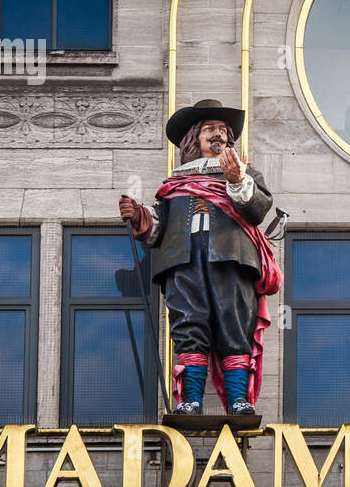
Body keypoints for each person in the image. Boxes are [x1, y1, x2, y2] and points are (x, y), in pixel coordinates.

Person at [118, 98, 282, 416]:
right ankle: (190, 400)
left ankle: (238, 400)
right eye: (210, 129)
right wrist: (139, 216)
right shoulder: (176, 182)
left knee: (234, 327)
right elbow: (159, 228)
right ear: (194, 137)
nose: (218, 134)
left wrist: (236, 179)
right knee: (188, 328)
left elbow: (258, 210)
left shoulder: (245, 173)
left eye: (223, 129)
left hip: (231, 261)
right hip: (183, 262)